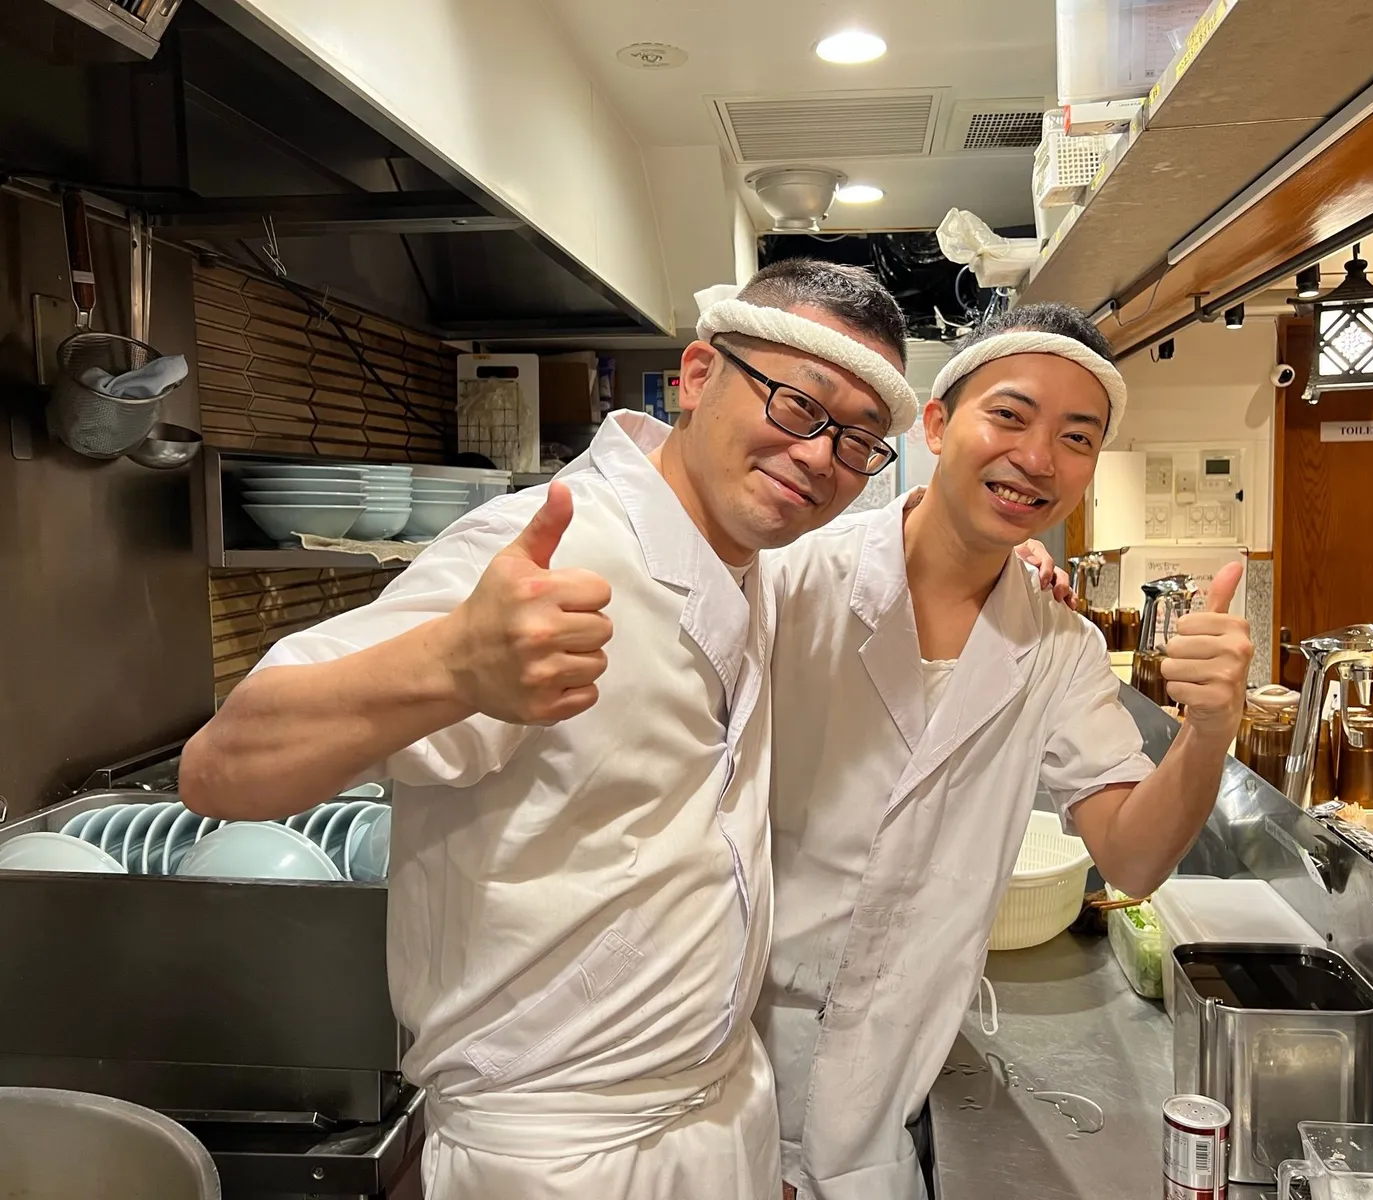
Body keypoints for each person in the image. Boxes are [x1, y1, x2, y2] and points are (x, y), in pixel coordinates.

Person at [178, 259, 924, 1200]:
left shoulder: (750, 562)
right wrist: (452, 665)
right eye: (796, 405)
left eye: (859, 441)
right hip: (557, 1155)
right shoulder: (541, 549)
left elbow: (906, 547)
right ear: (697, 376)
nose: (821, 457)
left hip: (721, 1110)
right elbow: (220, 771)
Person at [757, 303, 1254, 1200]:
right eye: (1011, 416)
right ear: (939, 426)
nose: (1037, 459)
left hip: (880, 1107)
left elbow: (1133, 855)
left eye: (1077, 436)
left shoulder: (1058, 649)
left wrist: (1210, 730)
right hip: (725, 1079)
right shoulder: (791, 581)